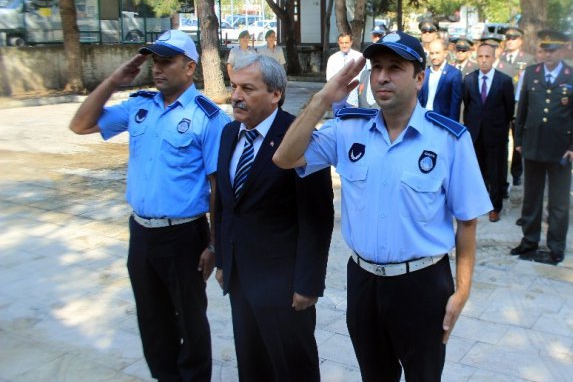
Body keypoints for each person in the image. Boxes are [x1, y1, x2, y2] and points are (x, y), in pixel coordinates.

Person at [272, 32, 491, 381]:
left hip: (422, 285)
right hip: (363, 283)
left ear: (420, 78)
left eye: (395, 68)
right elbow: (284, 157)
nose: (382, 77)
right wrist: (324, 98)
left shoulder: (449, 140)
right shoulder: (348, 129)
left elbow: (467, 221)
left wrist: (462, 290)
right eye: (375, 68)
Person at [69, 30, 230, 381]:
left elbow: (219, 188)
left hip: (184, 235)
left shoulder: (209, 117)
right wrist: (114, 80)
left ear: (190, 67)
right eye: (154, 61)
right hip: (141, 233)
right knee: (152, 320)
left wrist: (215, 244)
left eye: (166, 61)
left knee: (190, 320)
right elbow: (80, 125)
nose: (157, 69)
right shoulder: (140, 106)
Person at [215, 54, 334, 380]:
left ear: (275, 94)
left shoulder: (298, 136)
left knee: (292, 369)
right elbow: (224, 205)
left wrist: (308, 283)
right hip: (241, 280)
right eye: (234, 86)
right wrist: (223, 260)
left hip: (284, 289)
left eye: (247, 88)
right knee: (252, 367)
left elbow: (318, 217)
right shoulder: (229, 134)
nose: (236, 95)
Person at [510, 30, 573, 265]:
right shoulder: (531, 73)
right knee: (531, 198)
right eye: (545, 50)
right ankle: (529, 240)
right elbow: (521, 110)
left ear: (562, 51)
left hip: (560, 149)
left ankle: (556, 246)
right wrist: (519, 141)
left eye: (553, 50)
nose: (548, 55)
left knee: (558, 202)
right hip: (532, 146)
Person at [462, 42, 515, 223]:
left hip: (496, 134)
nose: (483, 61)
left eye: (487, 57)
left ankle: (495, 206)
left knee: (496, 171)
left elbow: (509, 109)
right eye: (480, 57)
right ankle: (480, 203)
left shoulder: (504, 81)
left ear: (494, 58)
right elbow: (468, 106)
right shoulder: (469, 80)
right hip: (476, 133)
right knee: (478, 170)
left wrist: (501, 127)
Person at [497, 26, 534, 187]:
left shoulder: (528, 59)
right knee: (501, 142)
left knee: (518, 141)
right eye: (508, 38)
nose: (510, 41)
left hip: (518, 107)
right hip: (500, 106)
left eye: (514, 38)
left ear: (521, 41)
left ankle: (516, 172)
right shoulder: (500, 57)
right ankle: (501, 174)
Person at [418, 38, 463, 120]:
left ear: (445, 53)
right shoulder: (425, 73)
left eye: (437, 53)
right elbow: (419, 100)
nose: (434, 56)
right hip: (424, 118)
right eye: (432, 53)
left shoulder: (454, 74)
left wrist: (451, 127)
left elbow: (455, 104)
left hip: (442, 121)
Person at [326, 32, 363, 113]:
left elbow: (364, 76)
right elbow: (329, 78)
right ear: (338, 43)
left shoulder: (359, 57)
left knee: (353, 120)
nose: (344, 45)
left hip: (354, 95)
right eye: (342, 43)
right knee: (338, 120)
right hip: (337, 96)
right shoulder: (332, 58)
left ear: (351, 42)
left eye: (346, 42)